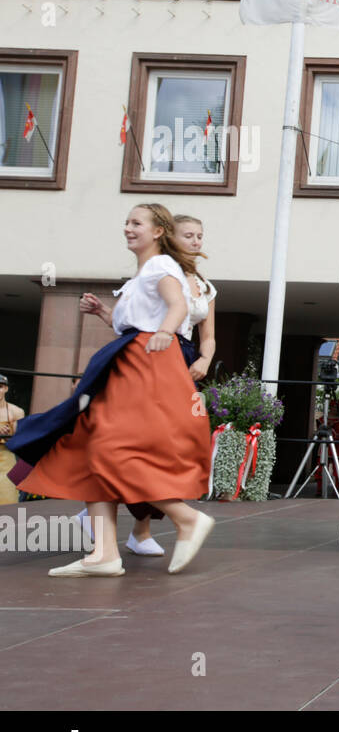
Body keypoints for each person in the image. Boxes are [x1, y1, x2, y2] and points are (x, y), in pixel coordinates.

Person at [11, 204, 215, 577]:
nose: (127, 228)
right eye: (126, 222)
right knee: (89, 446)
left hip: (145, 361)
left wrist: (166, 332)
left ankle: (184, 518)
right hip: (128, 358)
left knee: (110, 448)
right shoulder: (142, 274)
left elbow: (177, 305)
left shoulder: (159, 266)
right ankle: (103, 553)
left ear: (157, 231)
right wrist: (105, 313)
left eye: (136, 223)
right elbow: (137, 321)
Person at [76, 213, 218, 555]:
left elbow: (203, 332)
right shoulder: (158, 269)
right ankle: (126, 533)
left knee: (151, 444)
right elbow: (137, 323)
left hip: (170, 354)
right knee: (130, 441)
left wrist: (202, 360)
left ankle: (136, 531)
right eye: (189, 234)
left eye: (200, 235)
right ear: (170, 236)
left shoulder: (187, 280)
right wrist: (105, 313)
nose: (196, 241)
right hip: (152, 351)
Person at [0, 374, 25, 505]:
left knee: (7, 500)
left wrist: (10, 435)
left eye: (0, 387)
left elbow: (20, 441)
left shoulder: (16, 412)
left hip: (7, 462)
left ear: (6, 389)